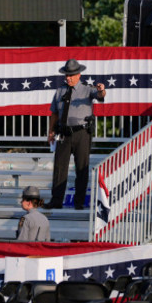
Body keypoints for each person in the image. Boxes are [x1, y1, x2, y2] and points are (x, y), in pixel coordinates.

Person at [47, 59, 106, 210]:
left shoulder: (87, 89)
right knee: (60, 168)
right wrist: (51, 131)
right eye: (67, 74)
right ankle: (56, 200)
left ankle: (79, 202)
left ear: (79, 75)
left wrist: (101, 90)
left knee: (82, 168)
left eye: (72, 75)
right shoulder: (60, 90)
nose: (68, 77)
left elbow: (100, 96)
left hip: (81, 134)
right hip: (63, 133)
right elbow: (54, 113)